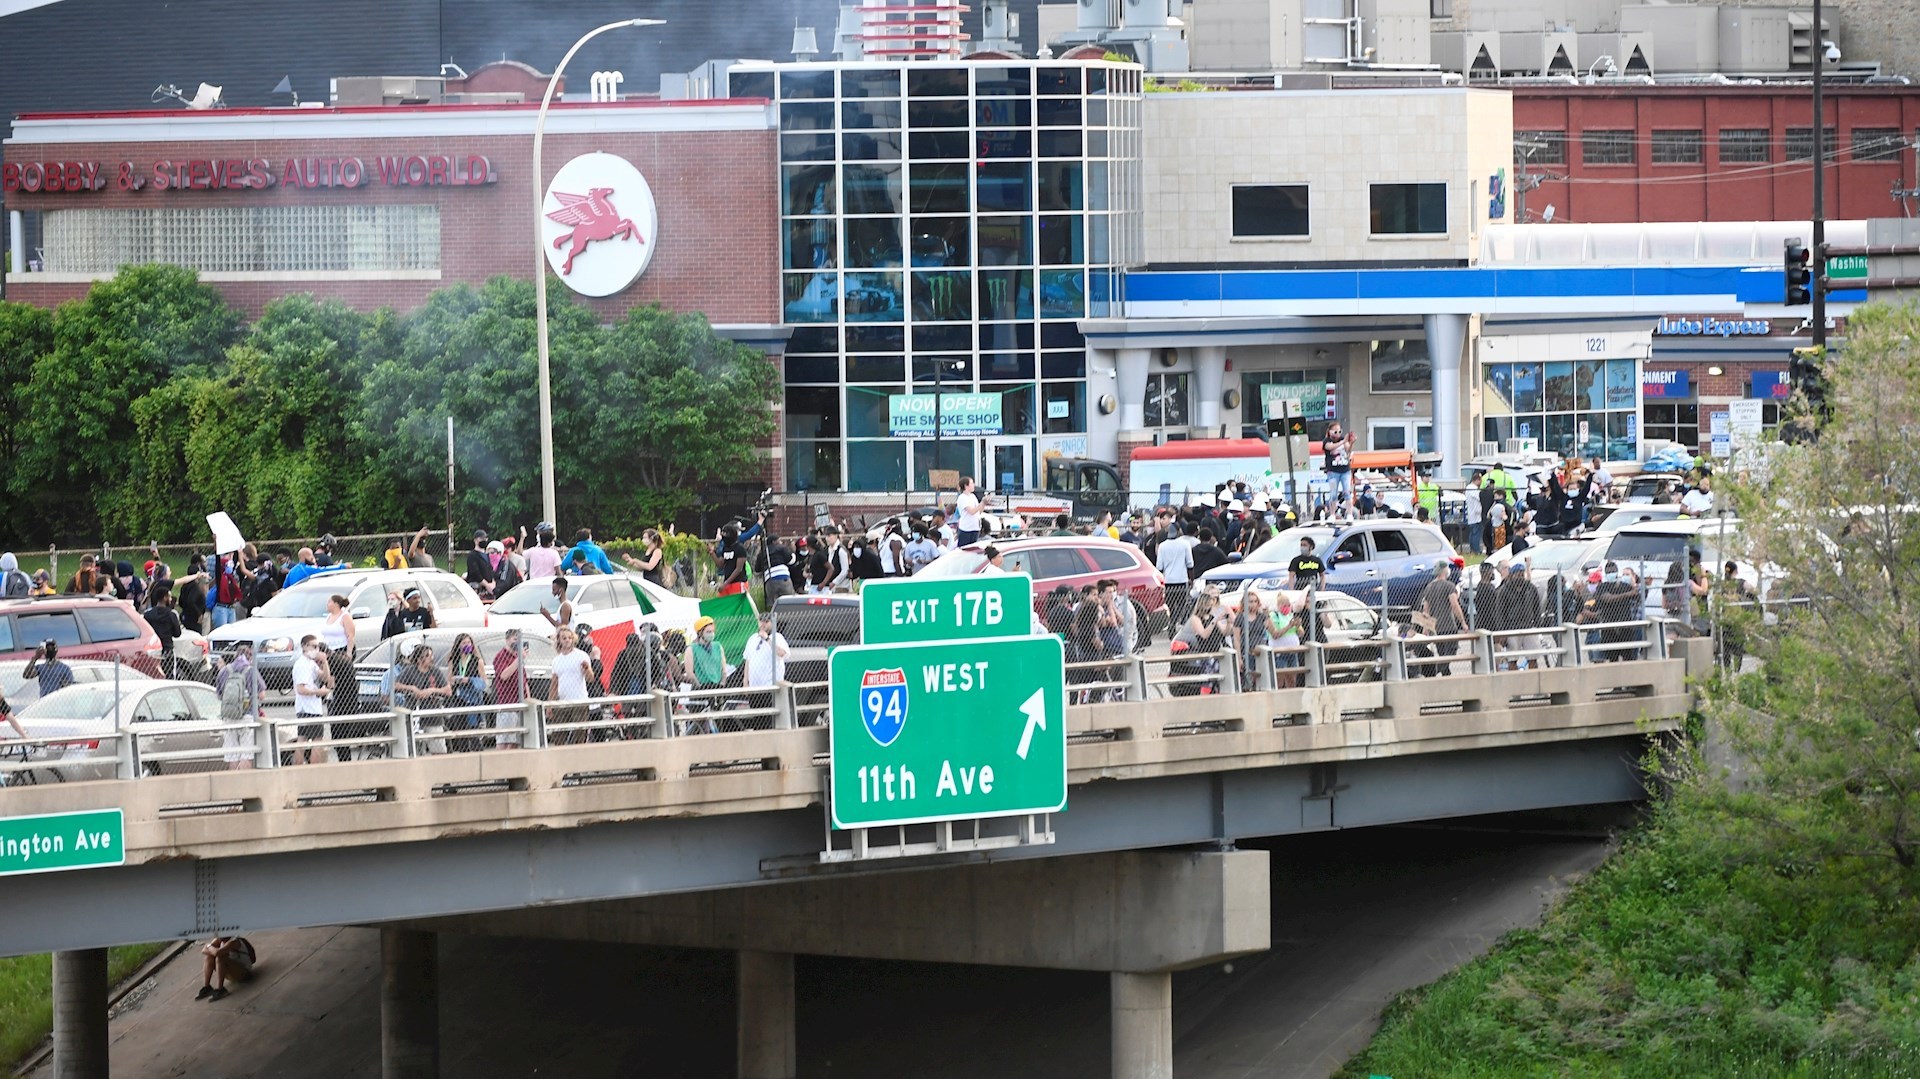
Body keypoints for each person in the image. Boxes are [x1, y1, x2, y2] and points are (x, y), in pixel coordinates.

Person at [394, 642, 453, 754]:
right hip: (414, 715)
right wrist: (412, 688)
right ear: (419, 659)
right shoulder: (410, 671)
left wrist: (432, 690)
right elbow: (396, 686)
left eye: (431, 655)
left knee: (439, 750)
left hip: (433, 717)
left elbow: (448, 690)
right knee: (412, 750)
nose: (431, 658)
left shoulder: (435, 671)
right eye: (428, 656)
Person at [215, 642, 265, 770]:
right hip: (246, 715)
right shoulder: (251, 671)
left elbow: (219, 695)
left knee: (232, 754)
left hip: (229, 716)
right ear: (250, 657)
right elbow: (262, 695)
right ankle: (245, 784)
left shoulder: (224, 671)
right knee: (246, 753)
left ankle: (234, 785)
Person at [1170, 590, 1231, 696]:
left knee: (1219, 679)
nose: (1210, 608)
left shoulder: (1212, 617)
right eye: (1208, 605)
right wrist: (1214, 621)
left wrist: (1229, 623)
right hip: (1205, 653)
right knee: (1207, 680)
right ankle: (1204, 699)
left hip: (1216, 652)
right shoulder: (1195, 619)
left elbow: (1224, 632)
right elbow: (1204, 634)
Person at [1415, 562, 1466, 676]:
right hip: (1449, 626)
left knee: (1442, 654)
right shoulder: (1449, 586)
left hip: (1436, 628)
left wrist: (1426, 627)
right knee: (1450, 653)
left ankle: (1445, 677)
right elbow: (1454, 605)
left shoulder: (1429, 587)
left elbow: (1425, 610)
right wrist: (1463, 622)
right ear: (1445, 570)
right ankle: (1436, 670)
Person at [289, 635, 328, 765]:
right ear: (304, 646)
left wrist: (325, 662)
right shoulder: (301, 665)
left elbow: (325, 678)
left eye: (318, 647)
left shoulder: (311, 664)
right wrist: (319, 692)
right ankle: (309, 769)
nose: (317, 649)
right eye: (314, 646)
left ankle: (304, 768)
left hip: (314, 708)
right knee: (312, 741)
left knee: (307, 739)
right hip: (307, 708)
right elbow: (301, 689)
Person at [1497, 561, 1542, 669]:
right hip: (1512, 628)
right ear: (1512, 575)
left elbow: (1536, 608)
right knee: (1512, 659)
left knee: (1533, 658)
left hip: (1528, 626)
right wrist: (1503, 632)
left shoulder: (1530, 588)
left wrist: (1537, 625)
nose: (1521, 577)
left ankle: (1534, 679)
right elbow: (1500, 612)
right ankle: (1514, 680)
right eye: (1518, 575)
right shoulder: (1504, 590)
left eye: (1522, 574)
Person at [447, 633, 487, 751]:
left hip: (472, 698)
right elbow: (448, 679)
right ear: (458, 645)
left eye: (469, 643)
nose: (467, 645)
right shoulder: (454, 660)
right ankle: (462, 752)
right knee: (460, 729)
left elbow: (484, 681)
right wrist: (454, 680)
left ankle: (478, 752)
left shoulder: (477, 661)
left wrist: (469, 680)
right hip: (458, 698)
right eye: (464, 643)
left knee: (472, 730)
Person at [195, 936, 257, 1001]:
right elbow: (203, 951)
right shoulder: (219, 939)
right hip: (232, 971)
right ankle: (207, 987)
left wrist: (208, 946)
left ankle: (221, 990)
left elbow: (217, 952)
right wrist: (210, 948)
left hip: (244, 973)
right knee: (209, 957)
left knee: (220, 958)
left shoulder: (234, 941)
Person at [742, 611, 789, 689]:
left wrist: (767, 639)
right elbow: (748, 661)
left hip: (771, 685)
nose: (763, 624)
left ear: (771, 623)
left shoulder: (777, 637)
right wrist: (745, 681)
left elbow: (782, 653)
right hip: (754, 686)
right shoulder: (752, 638)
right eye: (761, 621)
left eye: (766, 622)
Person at [1267, 591, 1304, 688]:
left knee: (1292, 679)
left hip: (1292, 651)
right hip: (1279, 653)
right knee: (1279, 680)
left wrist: (1298, 626)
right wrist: (1289, 626)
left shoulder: (1290, 616)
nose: (1287, 607)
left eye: (1288, 605)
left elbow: (1301, 633)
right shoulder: (1274, 616)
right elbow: (1275, 634)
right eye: (1284, 605)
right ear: (1278, 605)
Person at [685, 615, 729, 690]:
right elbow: (689, 673)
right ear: (700, 633)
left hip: (717, 685)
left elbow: (724, 669)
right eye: (708, 632)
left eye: (712, 631)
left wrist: (722, 684)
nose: (711, 634)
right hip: (702, 686)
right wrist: (699, 686)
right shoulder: (691, 649)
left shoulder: (718, 646)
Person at [1323, 422, 1356, 516]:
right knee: (1333, 493)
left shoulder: (1343, 440)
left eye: (1339, 431)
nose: (1338, 434)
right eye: (1335, 431)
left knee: (1347, 492)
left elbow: (1347, 450)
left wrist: (1351, 442)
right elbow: (1330, 447)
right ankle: (1332, 514)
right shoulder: (1327, 441)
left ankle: (1349, 514)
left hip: (1345, 470)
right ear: (1330, 432)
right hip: (1333, 471)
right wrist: (1343, 441)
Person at [464, 530, 497, 598]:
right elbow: (475, 573)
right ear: (475, 540)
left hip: (489, 588)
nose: (484, 540)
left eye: (485, 538)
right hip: (477, 588)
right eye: (481, 538)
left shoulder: (487, 555)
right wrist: (487, 585)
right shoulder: (472, 556)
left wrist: (493, 583)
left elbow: (491, 570)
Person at [954, 477, 984, 547]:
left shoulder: (973, 496)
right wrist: (982, 502)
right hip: (966, 529)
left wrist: (983, 503)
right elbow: (971, 511)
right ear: (966, 486)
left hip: (975, 528)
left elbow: (979, 511)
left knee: (973, 549)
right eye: (972, 483)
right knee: (964, 549)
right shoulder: (962, 498)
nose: (974, 485)